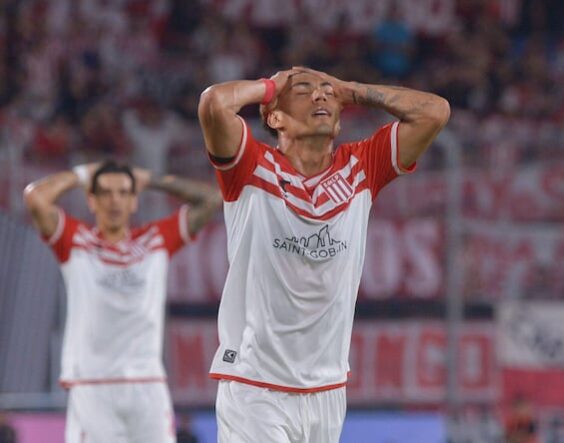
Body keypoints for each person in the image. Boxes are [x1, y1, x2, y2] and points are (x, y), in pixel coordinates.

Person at [197, 66, 450, 442]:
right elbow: (214, 104)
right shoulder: (250, 167)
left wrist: (354, 89)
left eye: (327, 92)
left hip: (327, 390)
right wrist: (270, 86)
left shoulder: (363, 166)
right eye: (303, 91)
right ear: (275, 116)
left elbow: (435, 112)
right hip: (255, 385)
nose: (321, 96)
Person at [22, 161, 221, 443]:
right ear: (91, 201)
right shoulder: (76, 241)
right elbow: (35, 197)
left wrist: (151, 178)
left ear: (134, 201)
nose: (114, 200)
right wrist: (81, 175)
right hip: (92, 385)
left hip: (147, 385)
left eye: (123, 192)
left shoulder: (155, 240)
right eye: (104, 192)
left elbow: (211, 199)